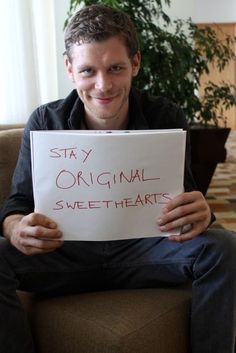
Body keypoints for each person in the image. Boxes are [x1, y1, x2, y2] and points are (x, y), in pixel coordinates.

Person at [0, 4, 235, 353]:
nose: (103, 85)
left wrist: (200, 212)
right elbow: (16, 205)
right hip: (65, 254)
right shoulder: (44, 121)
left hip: (145, 252)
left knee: (225, 247)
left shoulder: (165, 115)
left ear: (135, 63)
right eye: (87, 70)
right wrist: (16, 227)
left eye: (115, 68)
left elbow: (182, 198)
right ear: (69, 68)